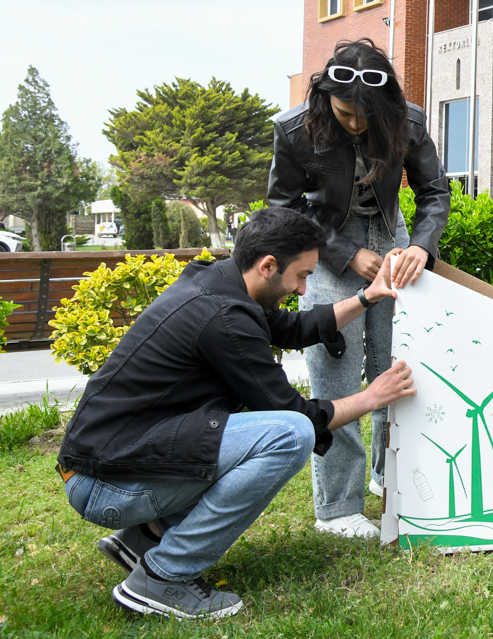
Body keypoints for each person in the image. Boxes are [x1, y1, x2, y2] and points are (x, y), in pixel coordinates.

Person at [56, 208, 417, 618]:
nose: (303, 289)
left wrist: (368, 295)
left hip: (105, 464)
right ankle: (163, 577)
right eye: (301, 276)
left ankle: (144, 537)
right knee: (289, 434)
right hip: (105, 485)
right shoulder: (225, 317)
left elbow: (294, 328)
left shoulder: (221, 283)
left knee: (266, 431)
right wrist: (371, 397)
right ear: (268, 266)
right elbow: (298, 414)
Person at [268, 38, 450, 539]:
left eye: (365, 116)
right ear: (326, 96)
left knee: (399, 365)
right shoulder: (293, 129)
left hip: (394, 243)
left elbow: (435, 191)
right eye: (345, 113)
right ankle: (339, 508)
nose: (355, 124)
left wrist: (422, 247)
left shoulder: (407, 121)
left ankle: (386, 475)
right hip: (324, 249)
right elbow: (283, 208)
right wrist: (346, 254)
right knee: (336, 376)